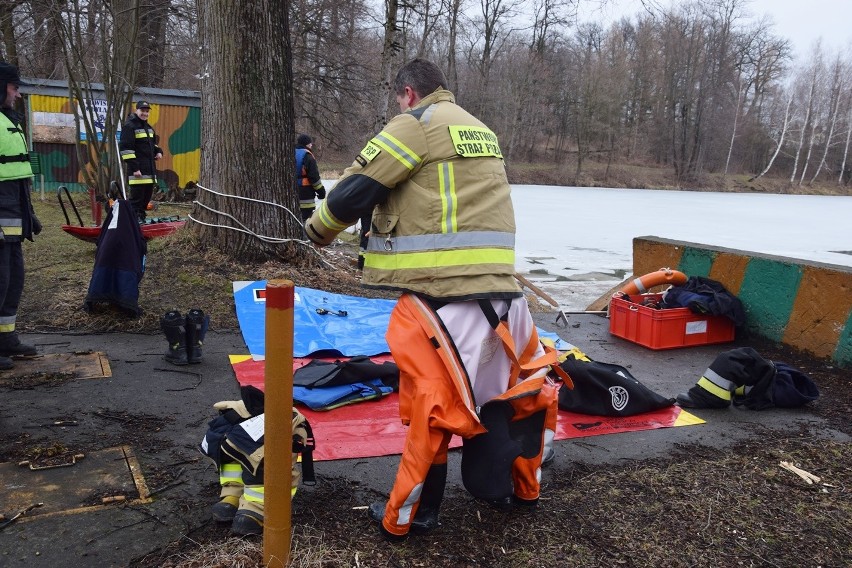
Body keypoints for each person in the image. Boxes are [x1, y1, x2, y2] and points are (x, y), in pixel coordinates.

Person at [305, 58, 564, 540]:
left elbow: (358, 190)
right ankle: (519, 491)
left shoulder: (415, 124)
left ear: (407, 93)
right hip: (507, 299)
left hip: (440, 301)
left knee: (433, 410)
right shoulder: (480, 130)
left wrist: (318, 229)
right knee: (515, 397)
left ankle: (412, 517)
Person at [0, 61, 41, 370]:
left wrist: (29, 214)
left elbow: (15, 174)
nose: (16, 94)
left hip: (13, 215)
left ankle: (6, 339)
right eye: (13, 88)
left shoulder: (8, 119)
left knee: (13, 280)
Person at [119, 100, 162, 221]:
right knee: (136, 201)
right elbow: (125, 149)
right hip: (137, 172)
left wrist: (159, 152)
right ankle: (131, 223)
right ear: (136, 110)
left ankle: (140, 220)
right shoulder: (129, 126)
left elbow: (152, 146)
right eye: (142, 110)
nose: (145, 113)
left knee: (145, 201)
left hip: (149, 172)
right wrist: (135, 168)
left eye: (147, 111)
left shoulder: (148, 128)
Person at [295, 134, 326, 221]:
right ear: (307, 145)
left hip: (291, 193)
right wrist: (321, 192)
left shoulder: (290, 153)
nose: (311, 145)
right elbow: (314, 178)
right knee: (305, 220)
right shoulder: (308, 156)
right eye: (310, 143)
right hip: (306, 194)